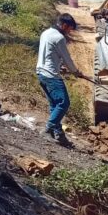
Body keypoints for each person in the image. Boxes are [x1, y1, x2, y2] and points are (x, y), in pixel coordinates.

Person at [36, 13, 83, 146]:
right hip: (50, 75)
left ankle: (59, 134)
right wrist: (75, 72)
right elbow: (67, 58)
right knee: (63, 103)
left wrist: (59, 66)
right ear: (64, 25)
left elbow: (50, 54)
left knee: (54, 105)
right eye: (69, 29)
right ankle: (48, 129)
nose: (69, 32)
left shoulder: (46, 33)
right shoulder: (59, 37)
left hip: (41, 72)